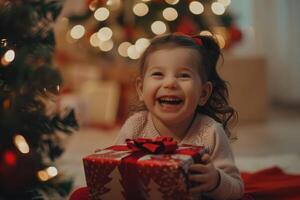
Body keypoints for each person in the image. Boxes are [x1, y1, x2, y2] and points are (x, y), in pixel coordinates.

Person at [114, 33, 244, 199]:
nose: (169, 83)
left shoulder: (210, 132)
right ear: (141, 89)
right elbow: (115, 170)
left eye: (183, 75)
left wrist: (216, 180)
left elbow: (236, 189)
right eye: (158, 74)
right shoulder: (135, 125)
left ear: (203, 93)